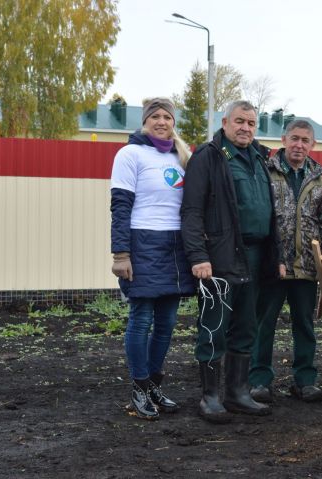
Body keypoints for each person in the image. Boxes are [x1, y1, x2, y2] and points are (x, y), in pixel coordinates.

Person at [180, 100, 279, 423]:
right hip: (220, 258)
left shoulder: (261, 159)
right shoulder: (208, 157)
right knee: (214, 327)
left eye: (251, 123)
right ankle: (210, 397)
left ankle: (238, 392)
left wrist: (274, 257)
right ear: (225, 122)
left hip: (256, 256)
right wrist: (198, 255)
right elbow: (192, 211)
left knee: (246, 326)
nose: (245, 128)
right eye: (239, 121)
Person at [110, 97, 196, 420]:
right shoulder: (129, 154)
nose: (162, 121)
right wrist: (121, 254)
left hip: (175, 248)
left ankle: (154, 384)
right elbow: (120, 207)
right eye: (155, 116)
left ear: (174, 122)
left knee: (168, 323)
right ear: (144, 121)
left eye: (167, 117)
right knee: (141, 319)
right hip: (142, 244)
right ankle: (139, 387)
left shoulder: (181, 156)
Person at [249, 120, 322, 404]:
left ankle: (305, 381)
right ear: (284, 139)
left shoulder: (320, 179)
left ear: (313, 144)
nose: (299, 145)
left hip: (306, 267)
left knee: (305, 325)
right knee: (264, 324)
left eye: (305, 140)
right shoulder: (265, 171)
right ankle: (259, 379)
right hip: (272, 266)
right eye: (295, 139)